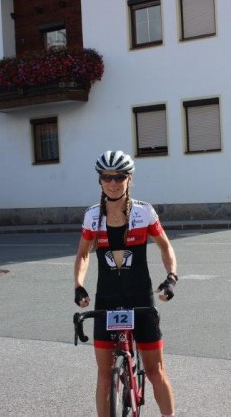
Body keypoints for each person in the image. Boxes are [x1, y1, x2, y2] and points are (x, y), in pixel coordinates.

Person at [74, 150, 178, 417]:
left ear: (129, 178)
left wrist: (171, 278)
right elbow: (84, 254)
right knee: (104, 373)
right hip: (107, 300)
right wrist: (79, 285)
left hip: (140, 297)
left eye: (119, 176)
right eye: (107, 177)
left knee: (155, 371)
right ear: (100, 180)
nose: (113, 182)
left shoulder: (144, 212)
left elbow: (165, 247)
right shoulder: (92, 217)